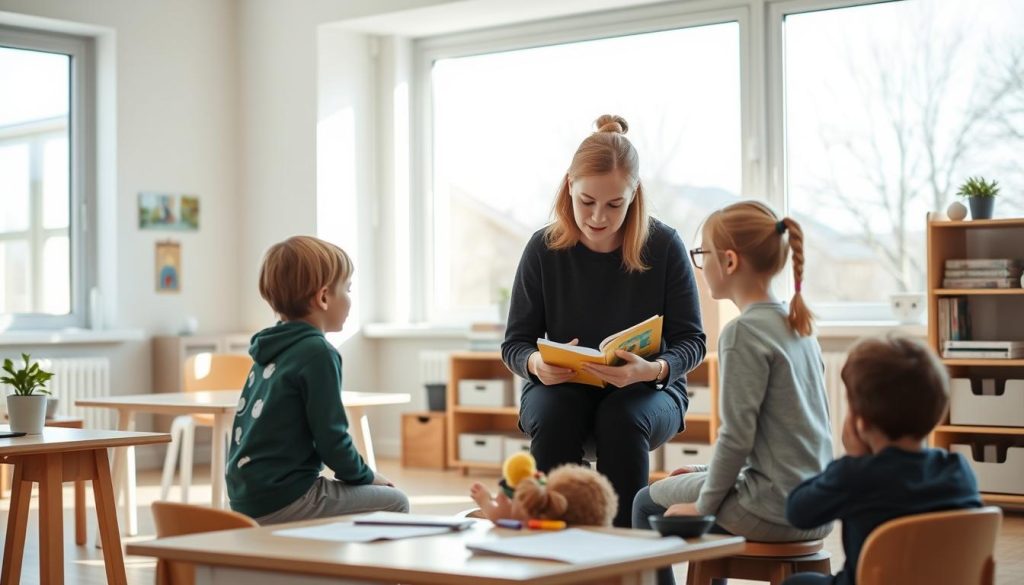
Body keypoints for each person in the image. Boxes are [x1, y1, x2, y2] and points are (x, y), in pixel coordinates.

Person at [501, 114, 707, 528]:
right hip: (562, 389)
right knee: (555, 416)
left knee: (621, 418)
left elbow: (692, 340)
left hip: (649, 389)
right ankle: (559, 544)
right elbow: (515, 344)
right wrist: (536, 365)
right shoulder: (542, 249)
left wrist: (655, 368)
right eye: (586, 202)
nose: (598, 217)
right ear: (568, 189)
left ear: (634, 196)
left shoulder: (664, 245)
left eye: (614, 204)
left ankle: (626, 551)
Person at [634, 201, 833, 585]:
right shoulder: (800, 329)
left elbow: (737, 436)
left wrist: (702, 506)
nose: (699, 265)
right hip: (815, 507)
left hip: (772, 509)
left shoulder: (743, 334)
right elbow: (781, 439)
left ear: (728, 261)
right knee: (687, 486)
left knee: (645, 502)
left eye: (701, 254)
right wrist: (703, 472)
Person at [227, 235, 409, 524]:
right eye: (347, 289)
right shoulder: (318, 352)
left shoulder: (270, 348)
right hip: (286, 497)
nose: (350, 299)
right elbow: (332, 440)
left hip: (246, 497)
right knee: (396, 502)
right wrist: (369, 475)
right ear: (324, 297)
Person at [783, 334, 982, 585]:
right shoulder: (958, 470)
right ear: (938, 410)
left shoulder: (855, 475)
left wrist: (852, 459)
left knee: (797, 582)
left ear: (861, 421)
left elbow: (797, 512)